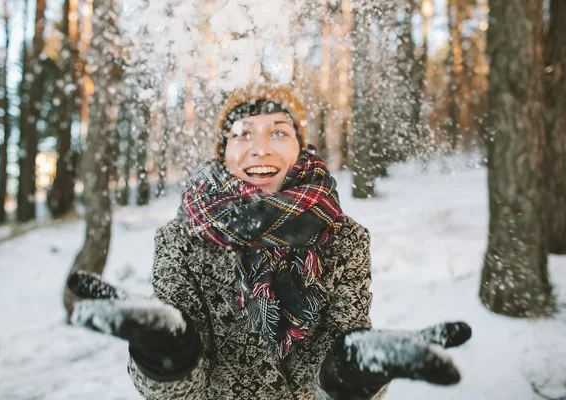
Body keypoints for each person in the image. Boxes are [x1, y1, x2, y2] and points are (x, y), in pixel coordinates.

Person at [68, 84, 472, 399]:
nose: (260, 147)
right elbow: (180, 394)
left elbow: (330, 368)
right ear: (223, 152)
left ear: (300, 148)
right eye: (242, 134)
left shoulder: (344, 238)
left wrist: (352, 371)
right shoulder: (182, 240)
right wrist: (165, 353)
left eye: (278, 131)